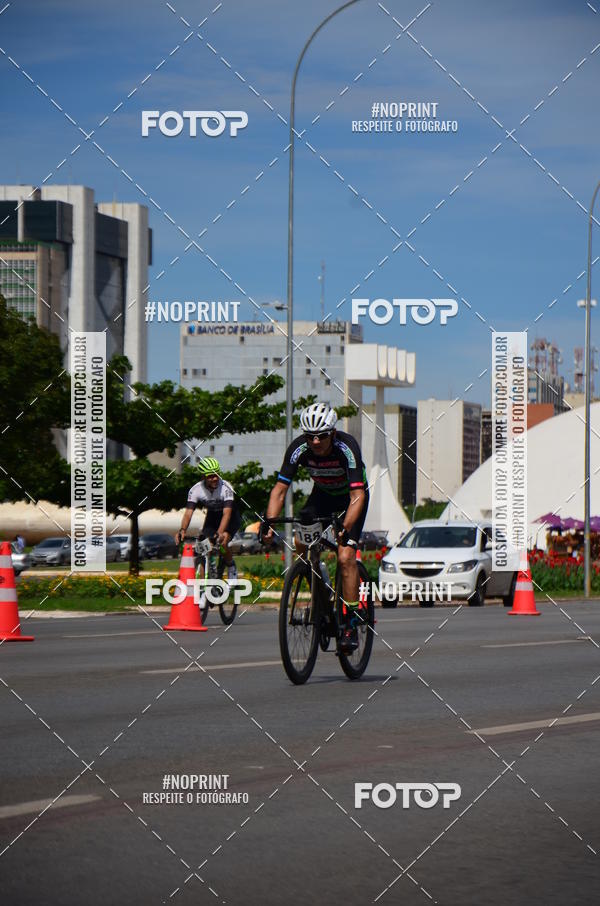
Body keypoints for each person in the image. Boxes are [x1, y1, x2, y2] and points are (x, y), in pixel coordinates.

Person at [262, 402, 369, 653]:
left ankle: (351, 622)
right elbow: (280, 490)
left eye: (321, 435)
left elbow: (358, 496)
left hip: (352, 498)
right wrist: (269, 522)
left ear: (333, 433)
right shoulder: (298, 448)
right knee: (301, 540)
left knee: (345, 557)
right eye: (310, 436)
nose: (316, 441)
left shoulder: (347, 448)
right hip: (322, 494)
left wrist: (345, 527)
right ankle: (319, 587)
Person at [175, 457, 240, 580]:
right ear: (203, 477)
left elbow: (227, 514)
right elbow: (188, 513)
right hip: (212, 516)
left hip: (230, 517)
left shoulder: (226, 487)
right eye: (210, 476)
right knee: (204, 546)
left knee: (222, 542)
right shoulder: (196, 490)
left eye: (216, 474)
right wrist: (182, 529)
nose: (215, 478)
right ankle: (208, 571)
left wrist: (219, 533)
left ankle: (230, 565)